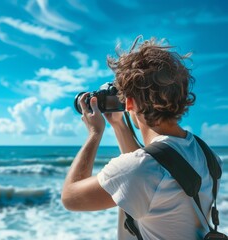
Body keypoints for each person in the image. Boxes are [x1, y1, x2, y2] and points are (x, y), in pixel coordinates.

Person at [61, 37, 222, 239]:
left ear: (129, 103)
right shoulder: (207, 155)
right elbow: (154, 165)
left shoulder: (141, 170)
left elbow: (70, 198)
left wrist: (95, 134)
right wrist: (118, 124)